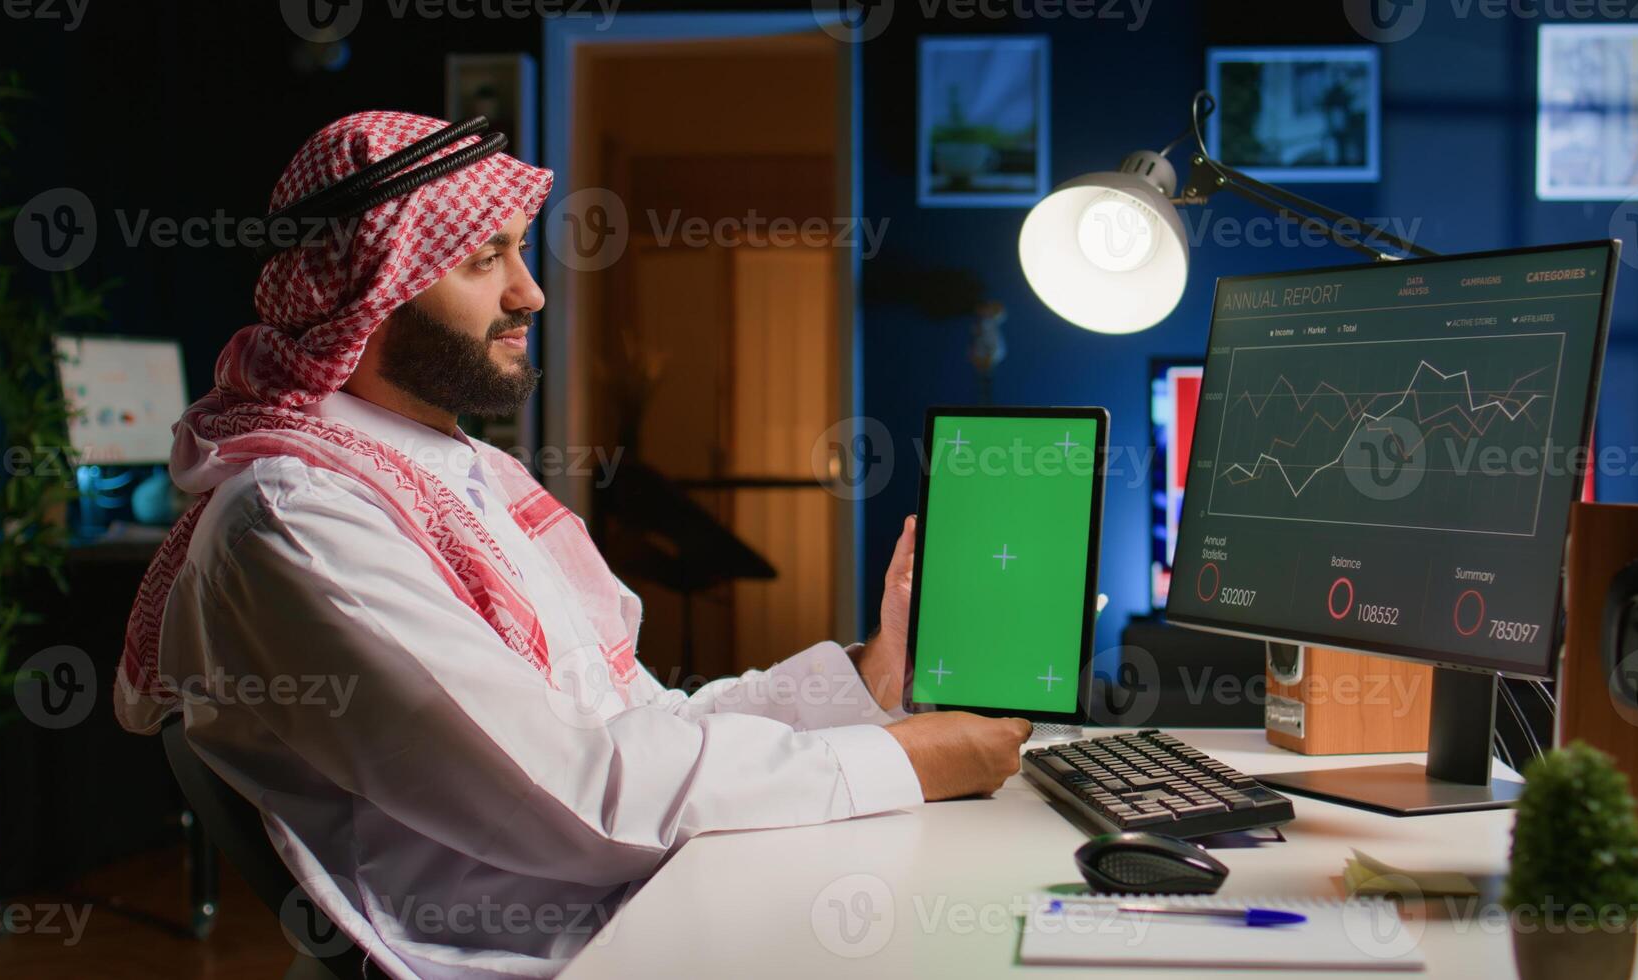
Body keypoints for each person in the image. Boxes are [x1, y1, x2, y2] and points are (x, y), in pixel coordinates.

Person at [110, 111, 1030, 978]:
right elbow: (573, 795)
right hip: (552, 951)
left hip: (626, 901)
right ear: (370, 290)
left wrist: (866, 676)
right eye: (484, 258)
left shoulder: (455, 478)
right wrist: (906, 759)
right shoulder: (296, 520)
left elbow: (641, 727)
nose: (531, 291)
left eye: (520, 250)